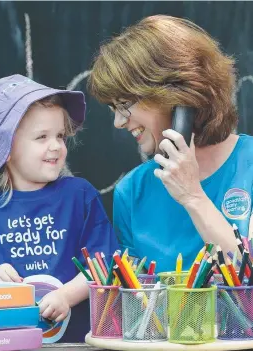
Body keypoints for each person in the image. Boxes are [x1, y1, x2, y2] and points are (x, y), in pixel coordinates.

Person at [88, 15, 253, 273]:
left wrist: (193, 196)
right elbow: (137, 301)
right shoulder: (132, 191)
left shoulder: (249, 165)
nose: (119, 122)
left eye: (125, 105)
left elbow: (247, 279)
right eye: (114, 109)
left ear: (176, 95)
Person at [0, 74, 119, 342]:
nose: (56, 146)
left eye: (60, 135)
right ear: (6, 149)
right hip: (5, 341)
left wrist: (65, 297)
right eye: (41, 137)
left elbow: (104, 265)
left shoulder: (80, 195)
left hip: (77, 342)